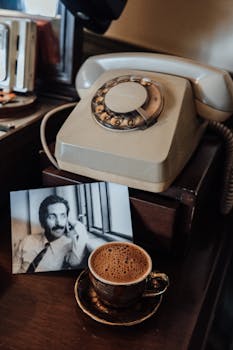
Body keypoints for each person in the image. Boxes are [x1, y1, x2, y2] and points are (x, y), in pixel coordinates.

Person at [13, 194, 89, 273]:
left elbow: (76, 261)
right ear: (42, 221)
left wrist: (77, 225)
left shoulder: (70, 246)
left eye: (63, 216)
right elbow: (14, 269)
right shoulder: (27, 240)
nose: (58, 223)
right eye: (52, 217)